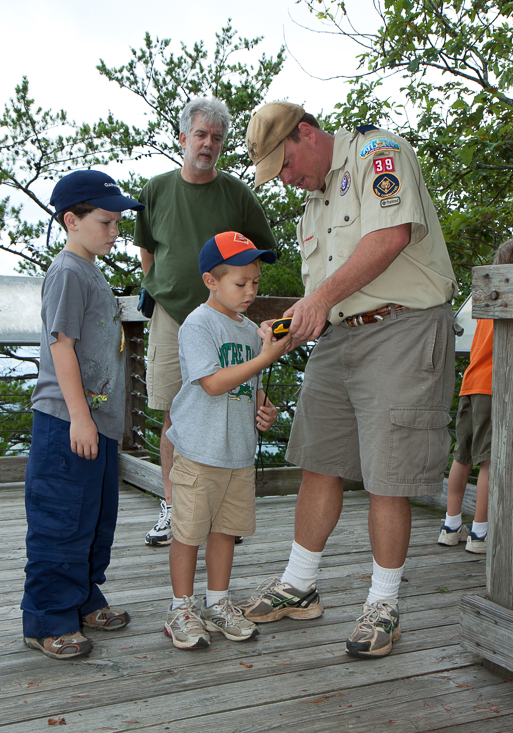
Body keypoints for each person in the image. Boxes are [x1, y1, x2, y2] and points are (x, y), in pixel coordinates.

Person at [239, 101, 458, 659]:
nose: (286, 181)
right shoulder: (313, 205)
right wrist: (288, 325)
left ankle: (383, 605)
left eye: (284, 165)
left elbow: (390, 237)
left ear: (306, 134)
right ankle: (299, 583)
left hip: (402, 328)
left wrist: (320, 301)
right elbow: (325, 297)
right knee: (320, 459)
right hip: (340, 337)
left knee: (389, 473)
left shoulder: (376, 155)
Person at [134, 97, 275, 546]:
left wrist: (238, 300)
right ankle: (173, 508)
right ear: (183, 138)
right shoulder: (155, 189)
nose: (208, 144)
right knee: (176, 416)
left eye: (216, 137)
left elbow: (259, 250)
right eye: (200, 134)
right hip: (172, 319)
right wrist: (160, 286)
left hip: (227, 324)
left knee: (229, 407)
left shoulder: (237, 193)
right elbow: (147, 251)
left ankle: (219, 514)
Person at [22, 170, 145, 659]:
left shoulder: (91, 268)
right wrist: (79, 417)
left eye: (118, 223)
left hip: (98, 425)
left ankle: (83, 598)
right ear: (72, 221)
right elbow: (62, 346)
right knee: (60, 519)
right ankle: (48, 617)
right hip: (67, 422)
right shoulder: (69, 270)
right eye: (106, 222)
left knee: (94, 518)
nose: (115, 231)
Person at [162, 231, 292, 649]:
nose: (251, 291)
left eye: (256, 282)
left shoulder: (251, 330)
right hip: (200, 451)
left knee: (225, 532)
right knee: (188, 532)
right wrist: (265, 357)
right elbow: (214, 383)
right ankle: (180, 609)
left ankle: (217, 603)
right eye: (241, 283)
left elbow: (247, 382)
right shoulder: (198, 324)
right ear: (210, 281)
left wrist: (264, 403)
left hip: (238, 453)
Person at [438, 239, 513, 555]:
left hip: (471, 382)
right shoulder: (507, 298)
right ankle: (481, 533)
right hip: (494, 386)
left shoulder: (483, 297)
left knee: (462, 456)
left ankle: (451, 525)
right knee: (488, 461)